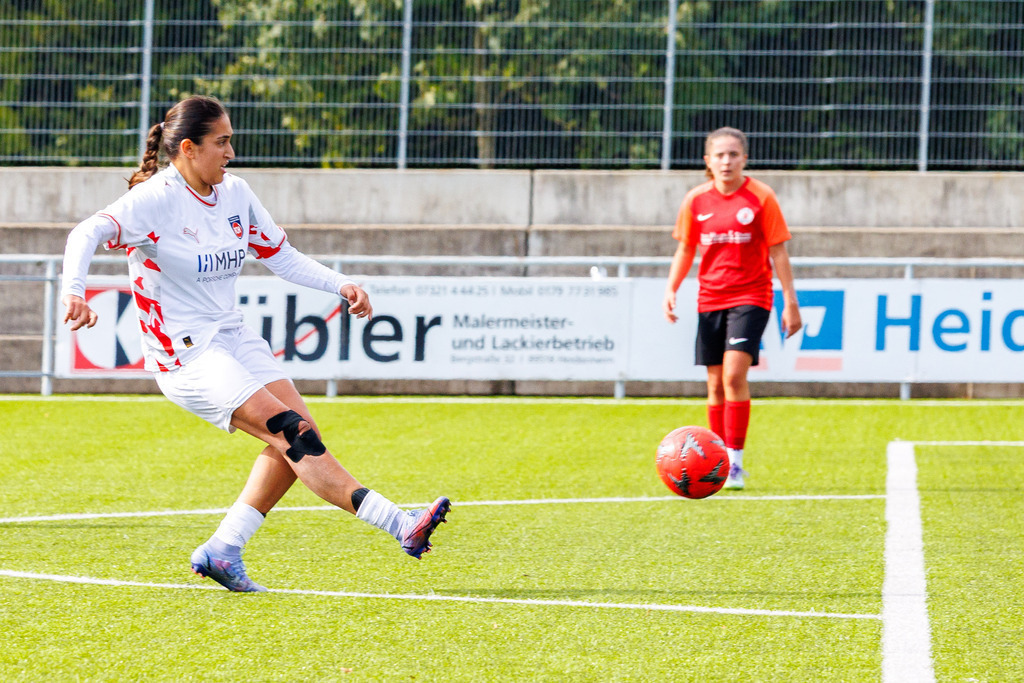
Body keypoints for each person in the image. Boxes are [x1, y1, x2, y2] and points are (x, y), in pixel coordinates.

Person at [60, 95, 450, 592]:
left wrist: (341, 284)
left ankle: (223, 549)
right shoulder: (156, 199)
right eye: (221, 142)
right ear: (188, 148)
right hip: (185, 353)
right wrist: (75, 291)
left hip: (232, 334)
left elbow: (280, 256)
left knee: (300, 435)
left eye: (230, 141)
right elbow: (87, 232)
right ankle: (399, 523)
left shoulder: (236, 193)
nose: (231, 152)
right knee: (292, 433)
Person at [662, 127, 802, 490]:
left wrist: (791, 301)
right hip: (710, 298)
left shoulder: (761, 197)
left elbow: (778, 251)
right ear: (707, 161)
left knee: (733, 377)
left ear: (745, 159)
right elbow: (686, 248)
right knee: (714, 384)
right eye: (719, 155)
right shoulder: (695, 200)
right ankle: (716, 463)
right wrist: (671, 288)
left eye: (733, 155)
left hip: (751, 297)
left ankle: (735, 463)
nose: (726, 161)